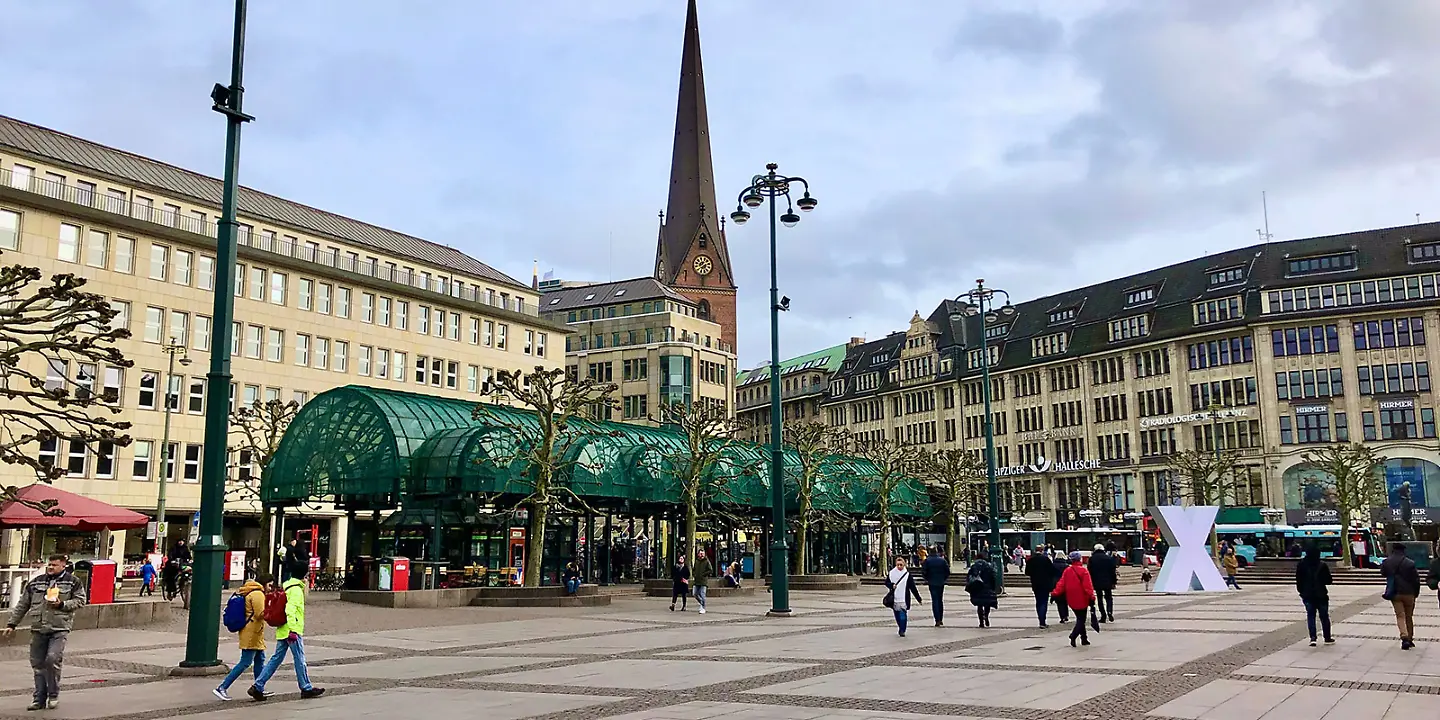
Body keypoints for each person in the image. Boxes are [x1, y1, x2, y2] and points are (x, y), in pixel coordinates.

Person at [4, 554, 87, 711]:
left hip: (59, 628)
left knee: (52, 659)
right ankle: (39, 699)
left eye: (55, 565)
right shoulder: (37, 581)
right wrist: (12, 624)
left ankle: (53, 694)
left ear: (63, 566)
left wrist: (62, 604)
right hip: (38, 628)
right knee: (38, 664)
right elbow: (23, 604)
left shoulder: (73, 582)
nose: (50, 567)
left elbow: (80, 600)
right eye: (50, 564)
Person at [248, 561, 324, 700]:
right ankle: (306, 687)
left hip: (283, 629)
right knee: (300, 659)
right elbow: (291, 610)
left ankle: (258, 685)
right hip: (291, 630)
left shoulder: (288, 587)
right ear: (304, 573)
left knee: (275, 659)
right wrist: (294, 630)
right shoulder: (296, 590)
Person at [215, 573, 273, 700]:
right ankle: (222, 687)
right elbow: (259, 614)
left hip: (253, 631)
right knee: (245, 662)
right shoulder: (257, 594)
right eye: (269, 585)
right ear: (264, 583)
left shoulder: (249, 590)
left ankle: (259, 687)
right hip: (252, 632)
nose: (270, 588)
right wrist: (272, 610)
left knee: (260, 659)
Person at [1380, 543, 1421, 650]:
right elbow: (1416, 580)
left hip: (1395, 593)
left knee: (1400, 615)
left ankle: (1404, 637)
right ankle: (1410, 638)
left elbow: (1383, 573)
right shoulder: (1410, 563)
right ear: (1404, 551)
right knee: (1409, 616)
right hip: (1409, 593)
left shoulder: (1387, 562)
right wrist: (1416, 592)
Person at [1052, 551, 1096, 647]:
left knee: (1080, 618)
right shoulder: (1083, 571)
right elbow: (1088, 586)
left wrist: (1054, 593)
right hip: (1082, 598)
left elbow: (1061, 584)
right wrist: (1092, 597)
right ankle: (1073, 635)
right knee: (1081, 619)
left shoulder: (1067, 571)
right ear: (1079, 559)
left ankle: (1084, 638)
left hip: (1071, 598)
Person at [1294, 547, 1334, 647]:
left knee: (1311, 616)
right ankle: (1327, 637)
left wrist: (1301, 591)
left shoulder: (1301, 564)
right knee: (1324, 616)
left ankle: (1313, 638)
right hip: (1321, 594)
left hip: (1307, 594)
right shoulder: (1322, 565)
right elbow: (1329, 580)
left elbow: (1298, 580)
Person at [884, 556, 922, 637]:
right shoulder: (891, 573)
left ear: (904, 564)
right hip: (894, 598)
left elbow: (913, 587)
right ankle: (900, 626)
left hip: (904, 598)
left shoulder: (907, 575)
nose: (899, 566)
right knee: (897, 615)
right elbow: (886, 582)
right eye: (898, 565)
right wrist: (891, 585)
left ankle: (902, 629)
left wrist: (918, 598)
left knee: (902, 616)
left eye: (901, 565)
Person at [1025, 544, 1059, 627]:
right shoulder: (1045, 559)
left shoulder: (1030, 560)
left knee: (1038, 602)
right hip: (1045, 584)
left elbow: (1027, 572)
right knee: (1044, 602)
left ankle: (1040, 619)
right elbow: (1053, 571)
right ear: (1042, 550)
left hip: (1035, 584)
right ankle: (1042, 621)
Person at [921, 546, 951, 627]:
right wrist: (943, 578)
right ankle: (940, 618)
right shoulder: (942, 560)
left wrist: (928, 579)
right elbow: (948, 571)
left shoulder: (927, 561)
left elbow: (923, 572)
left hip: (932, 582)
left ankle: (937, 619)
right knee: (940, 600)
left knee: (935, 601)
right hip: (940, 582)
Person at [1088, 544, 1119, 623]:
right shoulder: (1108, 558)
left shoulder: (1092, 559)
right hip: (1108, 581)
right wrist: (1114, 581)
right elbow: (1113, 571)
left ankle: (1103, 615)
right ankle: (1109, 611)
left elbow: (1089, 571)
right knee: (1109, 597)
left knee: (1099, 598)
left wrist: (1090, 582)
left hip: (1096, 581)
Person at [966, 554, 998, 628]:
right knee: (987, 604)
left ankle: (981, 622)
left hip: (977, 587)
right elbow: (993, 577)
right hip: (987, 587)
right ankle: (986, 616)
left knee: (979, 605)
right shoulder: (988, 566)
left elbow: (969, 577)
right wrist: (993, 588)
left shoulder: (974, 566)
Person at [1050, 550, 1072, 624]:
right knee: (1065, 601)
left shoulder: (1052, 565)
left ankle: (1062, 616)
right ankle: (1066, 615)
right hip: (1065, 584)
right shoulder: (1067, 566)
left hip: (1055, 584)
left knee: (1059, 602)